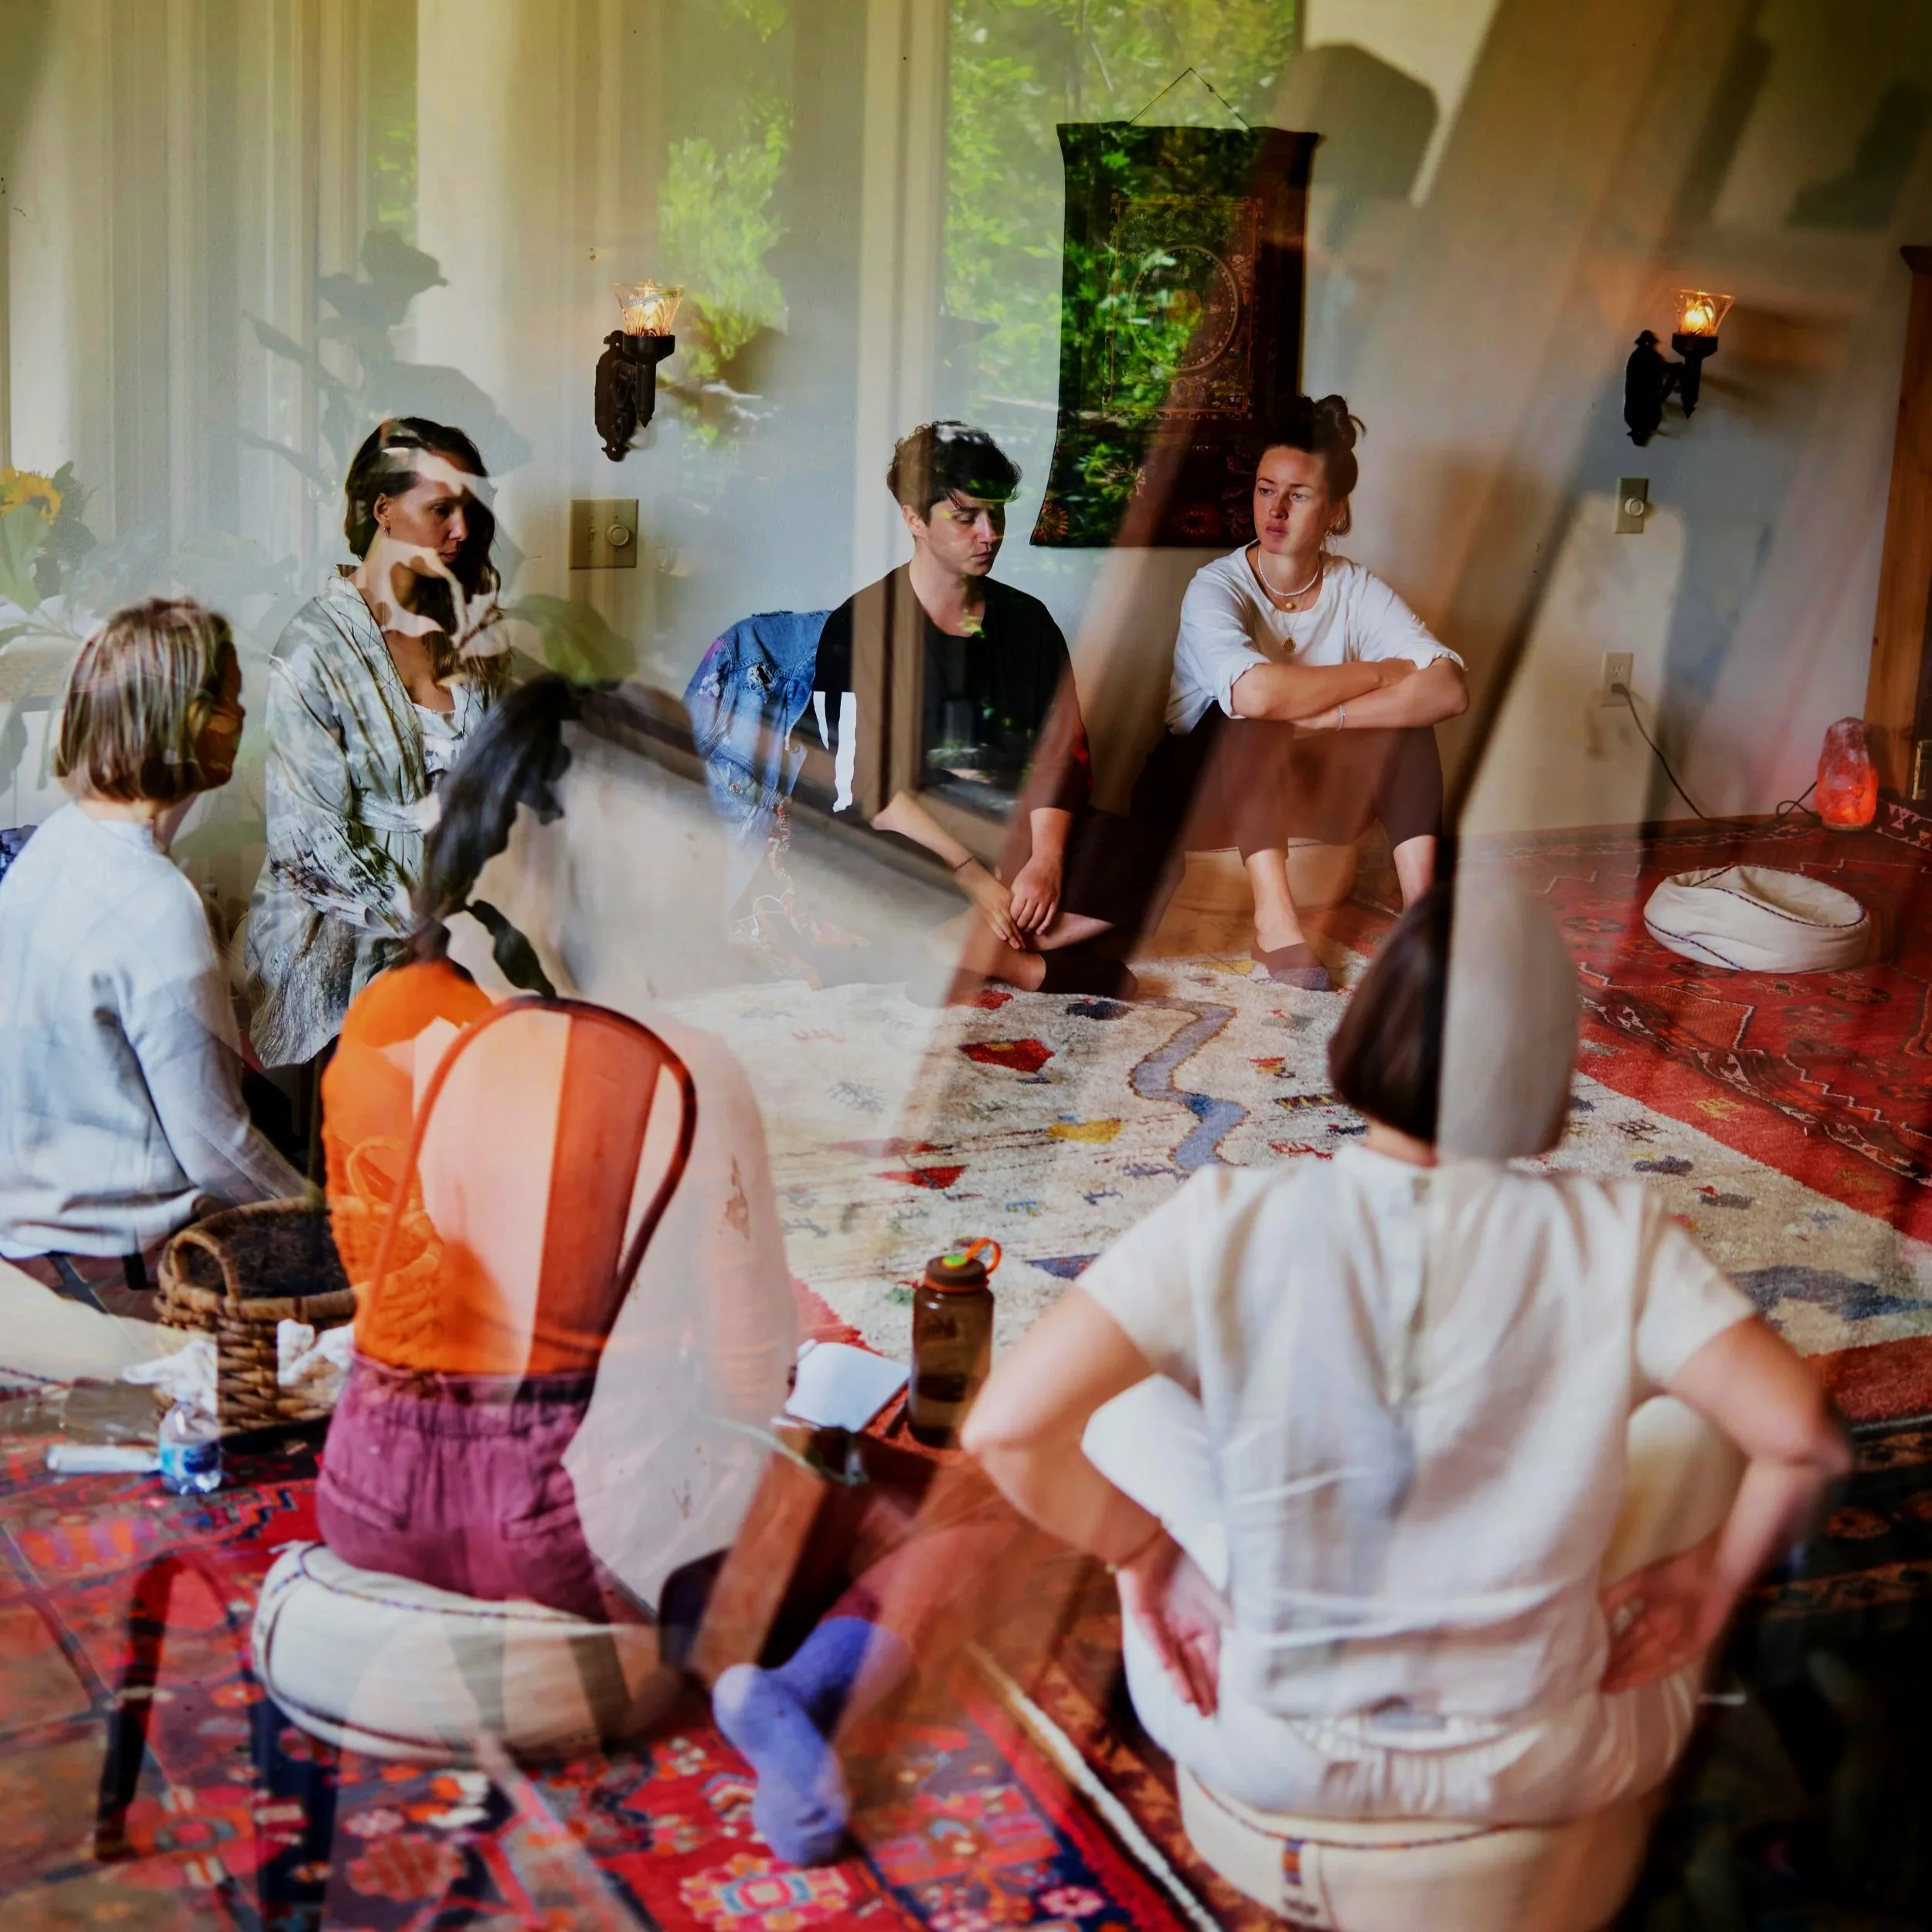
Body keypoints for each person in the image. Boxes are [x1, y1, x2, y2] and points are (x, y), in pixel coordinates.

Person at [963, 882, 1850, 1827]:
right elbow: (1803, 1441)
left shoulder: (1229, 1216)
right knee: (1698, 1424)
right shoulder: (1618, 1235)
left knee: (1117, 1406)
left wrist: (1142, 1552)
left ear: (1369, 1029)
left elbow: (1007, 1431)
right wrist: (1704, 1585)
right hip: (1534, 1755)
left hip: (1267, 1741)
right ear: (1548, 1062)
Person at [314, 675, 798, 1626]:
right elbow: (752, 1382)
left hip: (373, 1489)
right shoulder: (685, 1068)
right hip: (573, 1537)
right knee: (880, 1519)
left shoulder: (391, 1018)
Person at [804, 420, 1162, 1000]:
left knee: (1150, 853)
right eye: (966, 516)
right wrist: (970, 874)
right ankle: (1026, 967)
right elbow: (863, 787)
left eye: (996, 513)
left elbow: (1062, 760)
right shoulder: (858, 627)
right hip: (914, 837)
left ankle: (944, 951)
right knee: (840, 865)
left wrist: (1045, 861)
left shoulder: (1029, 623)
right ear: (914, 519)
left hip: (1012, 826)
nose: (989, 533)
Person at [0, 599, 304, 1262]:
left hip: (21, 1239)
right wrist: (325, 1217)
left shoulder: (55, 844)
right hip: (118, 1260)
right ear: (192, 722)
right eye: (231, 699)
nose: (243, 719)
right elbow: (215, 1148)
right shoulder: (156, 902)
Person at [1131, 396, 1468, 990]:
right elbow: (1257, 696)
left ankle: (1422, 919)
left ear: (1336, 512)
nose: (1276, 509)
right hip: (1199, 795)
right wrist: (1377, 672)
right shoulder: (1216, 585)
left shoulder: (1354, 587)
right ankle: (1276, 923)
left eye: (1299, 495)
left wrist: (1326, 719)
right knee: (1253, 715)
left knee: (1407, 726)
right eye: (1265, 490)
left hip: (1305, 790)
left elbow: (1447, 689)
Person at [245, 417, 509, 1080]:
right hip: (347, 927)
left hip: (476, 910)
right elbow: (307, 840)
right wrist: (429, 925)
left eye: (470, 511)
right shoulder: (314, 647)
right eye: (442, 509)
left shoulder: (472, 633)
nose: (462, 531)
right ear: (383, 511)